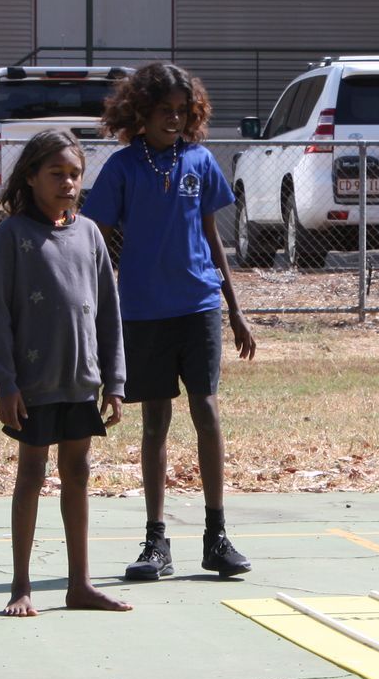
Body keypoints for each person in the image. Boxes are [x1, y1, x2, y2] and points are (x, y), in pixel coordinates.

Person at [83, 61, 256, 581]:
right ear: (141, 112)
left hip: (198, 306)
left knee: (207, 410)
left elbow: (212, 237)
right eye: (165, 111)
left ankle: (216, 535)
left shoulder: (200, 161)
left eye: (183, 112)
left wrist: (235, 308)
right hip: (142, 312)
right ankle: (156, 541)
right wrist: (94, 308)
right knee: (155, 421)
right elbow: (94, 239)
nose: (175, 120)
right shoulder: (122, 167)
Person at [0, 127, 130, 617]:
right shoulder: (11, 237)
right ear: (31, 176)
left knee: (78, 473)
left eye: (75, 174)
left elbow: (107, 311)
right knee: (31, 474)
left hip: (81, 381)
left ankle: (79, 585)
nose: (68, 183)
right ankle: (21, 584)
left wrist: (115, 381)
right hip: (33, 383)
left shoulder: (89, 233)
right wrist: (6, 382)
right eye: (56, 174)